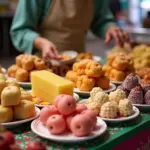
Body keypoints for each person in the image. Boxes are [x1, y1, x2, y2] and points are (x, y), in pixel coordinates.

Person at [10, 0, 130, 60]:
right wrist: (41, 42)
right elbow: (20, 30)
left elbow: (100, 20)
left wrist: (109, 27)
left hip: (79, 62)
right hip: (43, 63)